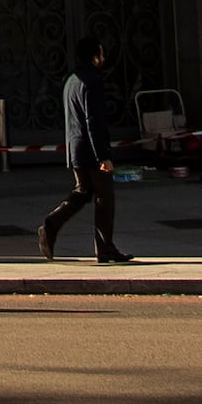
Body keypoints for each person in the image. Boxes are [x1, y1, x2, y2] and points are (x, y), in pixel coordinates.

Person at [38, 38, 131, 264]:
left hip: (76, 149)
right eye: (100, 53)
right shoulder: (93, 81)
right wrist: (103, 156)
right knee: (104, 198)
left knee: (83, 193)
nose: (103, 58)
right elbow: (94, 120)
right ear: (93, 56)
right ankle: (104, 247)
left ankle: (51, 225)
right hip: (91, 150)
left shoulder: (71, 80)